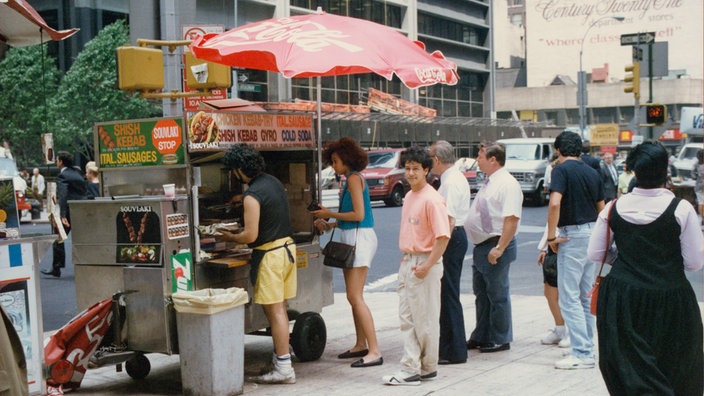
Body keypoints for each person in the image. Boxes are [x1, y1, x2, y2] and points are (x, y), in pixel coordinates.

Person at [587, 141, 704, 395]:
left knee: (630, 368)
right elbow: (695, 262)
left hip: (622, 299)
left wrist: (628, 257)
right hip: (671, 297)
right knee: (675, 366)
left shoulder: (613, 207)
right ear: (665, 170)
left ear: (635, 172)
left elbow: (596, 253)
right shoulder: (681, 209)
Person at [216, 144, 297, 384]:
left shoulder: (253, 196)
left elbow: (250, 236)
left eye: (233, 170)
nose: (233, 174)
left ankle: (284, 368)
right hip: (286, 250)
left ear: (240, 169)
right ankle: (281, 358)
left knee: (276, 312)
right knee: (280, 309)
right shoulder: (270, 181)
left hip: (270, 256)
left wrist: (229, 237)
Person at [311, 137, 382, 368]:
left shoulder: (353, 179)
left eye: (335, 161)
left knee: (354, 297)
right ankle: (361, 344)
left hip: (359, 239)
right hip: (352, 237)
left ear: (346, 159)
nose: (333, 165)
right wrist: (330, 222)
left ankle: (374, 350)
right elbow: (350, 218)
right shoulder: (350, 179)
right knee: (355, 297)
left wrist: (329, 213)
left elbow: (359, 215)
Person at [382, 146, 449, 386]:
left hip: (424, 262)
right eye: (407, 168)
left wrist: (427, 265)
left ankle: (414, 368)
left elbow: (443, 237)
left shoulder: (432, 200)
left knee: (424, 320)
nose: (410, 173)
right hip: (409, 261)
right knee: (409, 318)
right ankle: (423, 367)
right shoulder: (410, 196)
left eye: (416, 169)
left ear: (427, 170)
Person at [546, 131, 604, 370]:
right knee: (584, 296)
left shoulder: (560, 170)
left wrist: (551, 236)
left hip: (571, 235)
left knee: (569, 297)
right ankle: (587, 347)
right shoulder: (592, 171)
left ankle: (582, 352)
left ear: (558, 150)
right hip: (592, 233)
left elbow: (554, 202)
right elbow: (601, 207)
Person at [464, 141, 522, 354]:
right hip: (481, 246)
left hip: (496, 245)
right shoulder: (490, 181)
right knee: (482, 294)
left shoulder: (507, 184)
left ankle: (500, 337)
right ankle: (482, 334)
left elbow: (511, 219)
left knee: (498, 295)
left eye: (480, 156)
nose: (477, 160)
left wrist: (500, 248)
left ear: (493, 160)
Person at [427, 140, 470, 365]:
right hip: (454, 238)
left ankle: (454, 350)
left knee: (448, 294)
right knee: (447, 294)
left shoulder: (451, 182)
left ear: (436, 159)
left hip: (452, 238)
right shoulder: (451, 178)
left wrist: (439, 249)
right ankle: (451, 347)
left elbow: (449, 220)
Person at [42, 151, 88, 278]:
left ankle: (57, 267)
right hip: (81, 210)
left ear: (61, 162)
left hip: (68, 212)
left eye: (57, 160)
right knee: (82, 240)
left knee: (58, 237)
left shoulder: (63, 176)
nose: (56, 162)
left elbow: (63, 196)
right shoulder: (78, 173)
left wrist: (62, 215)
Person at [693, 149, 704, 225]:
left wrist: (697, 176)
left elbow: (693, 175)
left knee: (701, 203)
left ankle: (703, 218)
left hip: (699, 186)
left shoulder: (696, 164)